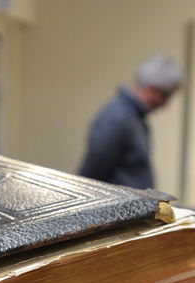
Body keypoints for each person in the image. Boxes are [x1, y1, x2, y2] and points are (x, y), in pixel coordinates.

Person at [77, 54, 183, 190]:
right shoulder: (118, 118)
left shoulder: (132, 117)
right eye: (166, 97)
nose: (165, 104)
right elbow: (91, 174)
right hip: (118, 209)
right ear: (153, 90)